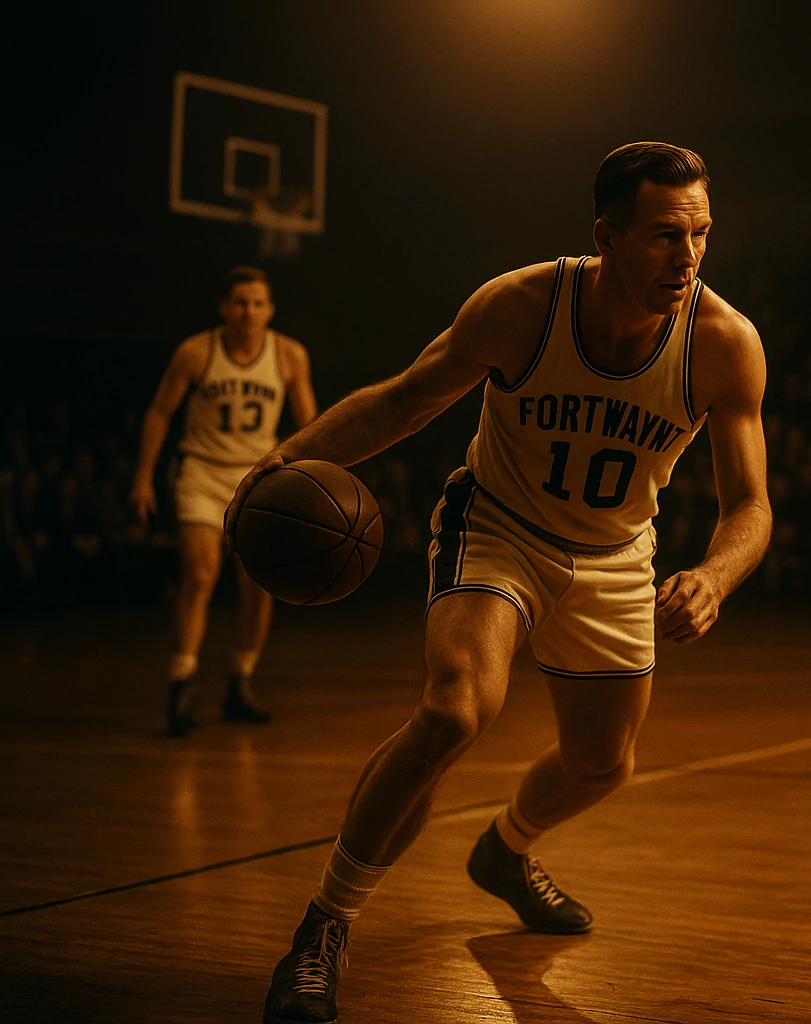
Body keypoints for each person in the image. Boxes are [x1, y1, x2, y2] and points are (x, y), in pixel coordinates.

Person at [237, 142, 771, 1024]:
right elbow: (406, 399)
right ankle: (324, 927)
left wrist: (714, 576)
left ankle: (505, 850)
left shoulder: (724, 344)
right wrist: (286, 458)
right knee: (455, 710)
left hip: (612, 558)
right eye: (665, 236)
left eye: (702, 233)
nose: (688, 257)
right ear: (606, 235)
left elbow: (751, 506)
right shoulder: (524, 305)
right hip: (499, 529)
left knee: (604, 765)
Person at [130, 266, 317, 735]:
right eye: (239, 302)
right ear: (224, 308)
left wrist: (315, 483)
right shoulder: (196, 351)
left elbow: (311, 424)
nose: (248, 311)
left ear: (270, 310)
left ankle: (241, 679)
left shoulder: (290, 354)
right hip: (202, 472)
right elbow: (159, 412)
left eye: (257, 303)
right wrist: (143, 478)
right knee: (199, 573)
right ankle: (182, 680)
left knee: (260, 583)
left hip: (259, 479)